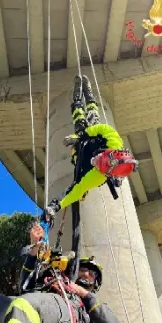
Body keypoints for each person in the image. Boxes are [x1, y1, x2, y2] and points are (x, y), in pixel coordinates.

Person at [43, 75, 138, 221]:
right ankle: (88, 94)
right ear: (109, 153)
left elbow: (76, 191)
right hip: (94, 138)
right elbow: (103, 128)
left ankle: (77, 100)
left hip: (83, 152)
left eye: (98, 165)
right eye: (99, 159)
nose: (96, 161)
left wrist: (56, 206)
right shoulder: (114, 142)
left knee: (78, 119)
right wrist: (82, 135)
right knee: (93, 116)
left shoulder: (97, 177)